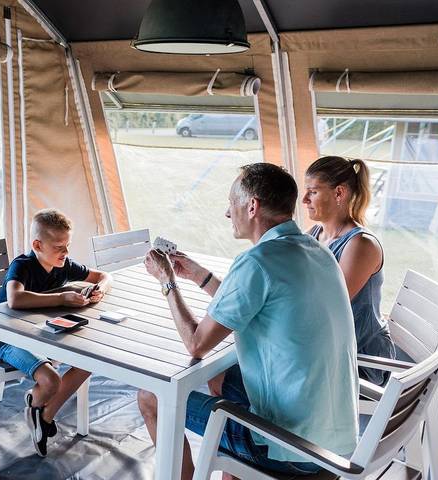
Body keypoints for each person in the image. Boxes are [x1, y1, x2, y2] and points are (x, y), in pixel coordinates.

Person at [138, 163, 358, 480]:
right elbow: (251, 300)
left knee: (152, 397)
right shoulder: (317, 250)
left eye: (232, 203)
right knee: (221, 379)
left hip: (292, 450)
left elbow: (197, 344)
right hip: (335, 442)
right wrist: (197, 274)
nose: (228, 213)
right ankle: (235, 471)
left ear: (252, 206)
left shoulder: (257, 261)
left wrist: (166, 281)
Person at [0, 208, 112, 457]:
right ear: (37, 244)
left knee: (89, 360)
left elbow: (104, 275)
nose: (66, 252)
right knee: (51, 380)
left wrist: (99, 288)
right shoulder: (22, 265)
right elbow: (14, 299)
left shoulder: (64, 265)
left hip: (42, 336)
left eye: (68, 245)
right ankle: (37, 402)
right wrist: (62, 297)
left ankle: (43, 414)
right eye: (60, 246)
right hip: (7, 339)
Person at [303, 156, 395, 385]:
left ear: (339, 193)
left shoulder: (361, 245)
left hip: (361, 359)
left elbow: (328, 307)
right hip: (329, 346)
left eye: (313, 192)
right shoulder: (316, 233)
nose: (304, 199)